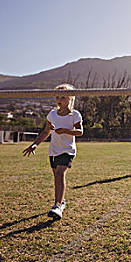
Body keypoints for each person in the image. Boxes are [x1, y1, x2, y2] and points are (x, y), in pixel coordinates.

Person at [22, 83, 83, 219]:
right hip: (53, 151)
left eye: (63, 97)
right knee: (56, 176)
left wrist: (66, 131)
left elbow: (80, 132)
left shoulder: (75, 115)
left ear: (70, 98)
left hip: (67, 150)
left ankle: (57, 206)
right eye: (57, 97)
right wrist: (35, 145)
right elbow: (46, 131)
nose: (59, 99)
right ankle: (61, 201)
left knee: (60, 174)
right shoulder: (52, 114)